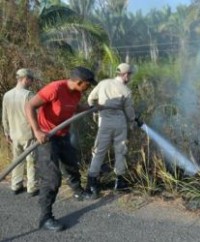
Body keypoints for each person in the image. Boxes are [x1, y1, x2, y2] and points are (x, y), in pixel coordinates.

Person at [25, 66, 97, 232]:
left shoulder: (77, 92)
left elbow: (74, 108)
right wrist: (37, 130)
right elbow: (30, 106)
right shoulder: (55, 88)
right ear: (79, 82)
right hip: (47, 137)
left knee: (71, 164)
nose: (89, 87)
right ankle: (45, 217)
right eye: (88, 84)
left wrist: (90, 107)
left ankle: (78, 192)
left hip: (63, 134)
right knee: (52, 178)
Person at [86, 63, 136, 198]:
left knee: (99, 152)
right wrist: (133, 121)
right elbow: (129, 111)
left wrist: (95, 112)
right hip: (119, 123)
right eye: (130, 75)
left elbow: (90, 99)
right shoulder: (126, 91)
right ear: (125, 75)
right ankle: (119, 183)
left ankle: (92, 183)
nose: (130, 77)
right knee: (120, 151)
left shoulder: (103, 83)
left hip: (104, 122)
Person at [2, 68, 39, 196]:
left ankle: (16, 185)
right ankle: (32, 187)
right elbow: (37, 114)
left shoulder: (7, 95)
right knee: (31, 161)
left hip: (14, 133)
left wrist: (6, 132)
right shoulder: (29, 95)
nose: (32, 82)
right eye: (31, 79)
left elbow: (4, 116)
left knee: (16, 160)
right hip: (28, 133)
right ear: (25, 79)